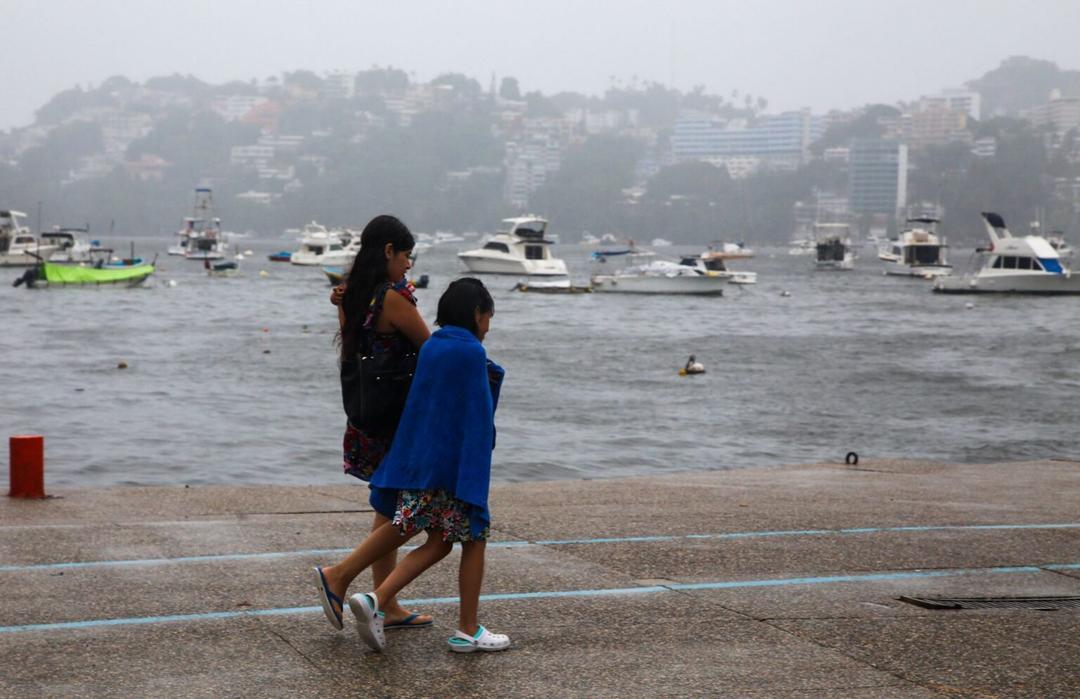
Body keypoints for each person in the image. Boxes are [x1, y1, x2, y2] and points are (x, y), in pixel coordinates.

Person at [315, 278, 509, 654]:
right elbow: (476, 421)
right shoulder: (470, 353)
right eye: (488, 317)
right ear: (476, 313)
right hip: (454, 473)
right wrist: (474, 481)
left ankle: (375, 600)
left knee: (433, 539)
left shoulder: (433, 346)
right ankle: (467, 629)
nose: (489, 326)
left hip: (421, 465)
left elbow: (426, 408)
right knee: (473, 538)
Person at [315, 214, 433, 633]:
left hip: (366, 418)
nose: (408, 266)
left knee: (389, 506)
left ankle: (387, 602)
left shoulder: (352, 298)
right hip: (399, 421)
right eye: (406, 256)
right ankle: (341, 576)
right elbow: (432, 350)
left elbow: (353, 352)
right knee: (411, 510)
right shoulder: (392, 299)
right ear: (388, 251)